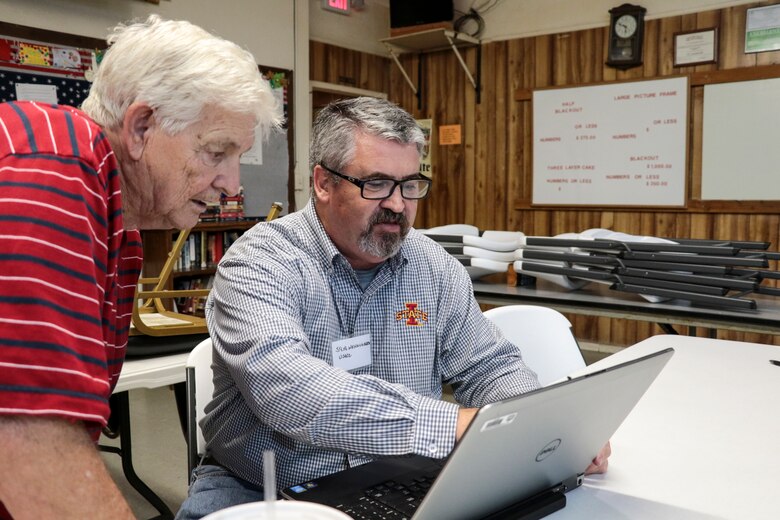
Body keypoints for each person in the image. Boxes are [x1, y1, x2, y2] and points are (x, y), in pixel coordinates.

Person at [177, 97, 609, 518]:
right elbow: (290, 389)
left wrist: (544, 427)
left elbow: (488, 367)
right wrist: (456, 428)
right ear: (323, 183)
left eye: (410, 185)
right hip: (261, 489)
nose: (398, 205)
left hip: (402, 473)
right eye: (377, 184)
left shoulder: (434, 266)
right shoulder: (260, 262)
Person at [0, 15, 281, 518]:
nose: (232, 184)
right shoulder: (55, 164)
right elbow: (30, 438)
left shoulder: (121, 227)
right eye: (216, 151)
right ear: (141, 126)